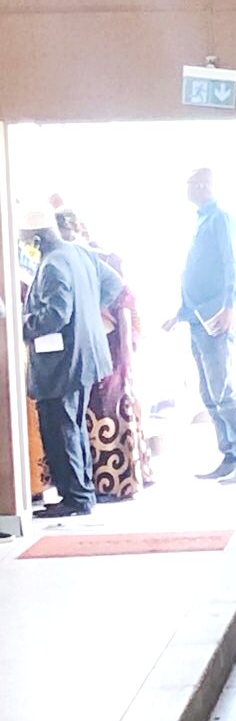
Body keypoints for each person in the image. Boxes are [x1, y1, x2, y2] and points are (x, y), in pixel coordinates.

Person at [20, 208, 126, 517]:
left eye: (26, 241)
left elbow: (55, 315)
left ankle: (75, 497)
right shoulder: (79, 252)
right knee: (73, 426)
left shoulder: (53, 264)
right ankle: (80, 494)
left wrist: (23, 325)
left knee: (60, 428)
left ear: (37, 240)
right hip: (84, 356)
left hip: (61, 362)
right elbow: (113, 284)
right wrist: (89, 315)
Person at [166, 168, 236, 482]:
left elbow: (231, 262)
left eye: (190, 183)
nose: (186, 189)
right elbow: (194, 271)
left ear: (204, 185)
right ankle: (230, 454)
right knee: (208, 393)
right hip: (196, 318)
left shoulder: (220, 218)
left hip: (218, 315)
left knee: (224, 390)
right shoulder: (200, 220)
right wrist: (180, 312)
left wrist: (230, 305)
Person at [53, 206, 153, 500]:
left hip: (109, 342)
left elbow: (123, 298)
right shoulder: (68, 259)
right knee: (92, 411)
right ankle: (100, 482)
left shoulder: (98, 257)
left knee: (110, 407)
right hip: (90, 342)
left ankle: (118, 482)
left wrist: (123, 346)